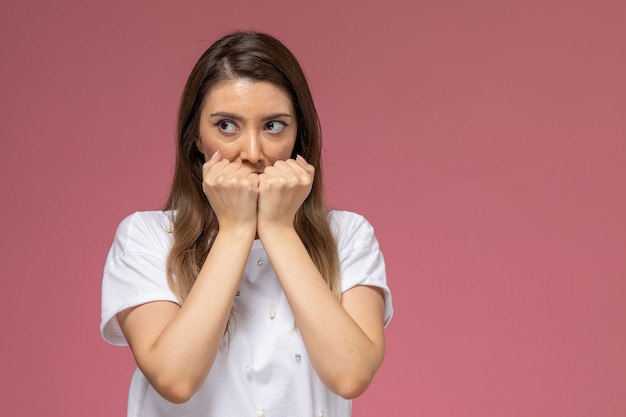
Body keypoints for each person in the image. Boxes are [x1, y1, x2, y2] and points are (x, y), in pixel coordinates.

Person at [100, 31, 393, 417]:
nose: (253, 153)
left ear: (299, 136)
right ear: (195, 139)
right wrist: (236, 229)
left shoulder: (348, 236)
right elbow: (175, 378)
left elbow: (350, 375)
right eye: (226, 125)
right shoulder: (147, 237)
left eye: (273, 126)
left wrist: (278, 229)